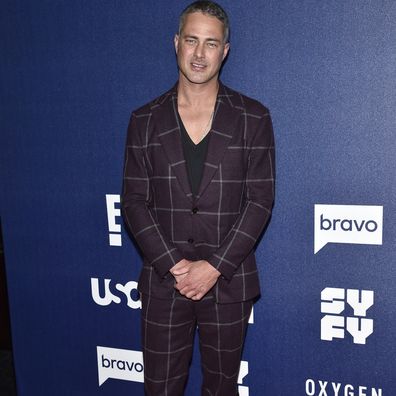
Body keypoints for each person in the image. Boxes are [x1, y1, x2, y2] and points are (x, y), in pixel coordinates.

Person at [122, 1, 275, 395]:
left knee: (221, 389)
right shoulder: (144, 119)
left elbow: (260, 201)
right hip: (163, 283)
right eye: (192, 40)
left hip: (228, 284)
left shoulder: (253, 117)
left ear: (224, 51)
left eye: (211, 43)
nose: (200, 53)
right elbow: (134, 201)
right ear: (176, 43)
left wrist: (213, 267)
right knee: (159, 388)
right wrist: (175, 266)